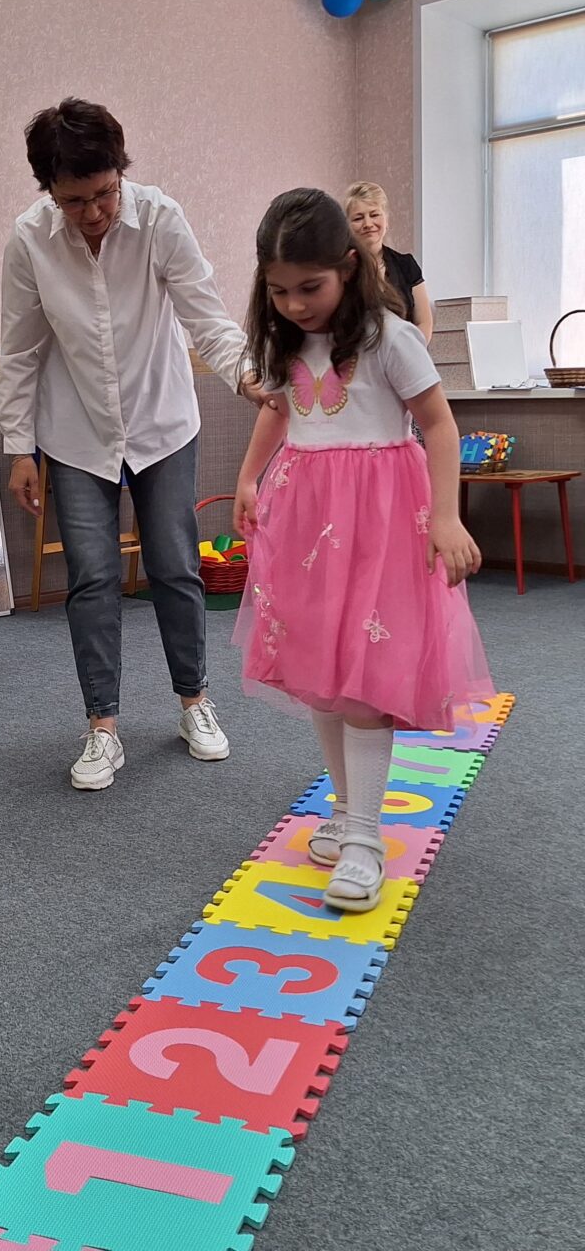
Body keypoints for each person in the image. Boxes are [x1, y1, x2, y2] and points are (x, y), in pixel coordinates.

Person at [231, 188, 493, 912]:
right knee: (322, 671)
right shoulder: (286, 341)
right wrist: (249, 477)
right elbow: (279, 410)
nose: (294, 304)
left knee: (366, 680)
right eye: (278, 290)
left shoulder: (389, 337)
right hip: (307, 522)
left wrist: (446, 517)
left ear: (349, 267)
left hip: (380, 522)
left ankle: (366, 841)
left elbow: (439, 426)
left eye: (309, 287)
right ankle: (348, 811)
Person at [0, 98, 266, 792]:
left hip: (162, 421)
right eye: (74, 200)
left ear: (122, 172)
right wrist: (20, 447)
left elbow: (206, 316)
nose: (93, 212)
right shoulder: (29, 241)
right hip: (76, 431)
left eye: (105, 193)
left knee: (175, 566)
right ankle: (103, 728)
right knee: (91, 577)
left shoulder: (161, 219)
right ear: (49, 192)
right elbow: (20, 349)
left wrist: (246, 376)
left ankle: (195, 702)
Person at [344, 182, 432, 341]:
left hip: (407, 352)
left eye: (374, 215)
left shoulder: (406, 265)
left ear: (386, 220)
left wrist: (411, 351)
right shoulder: (341, 269)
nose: (368, 224)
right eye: (358, 218)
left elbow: (424, 322)